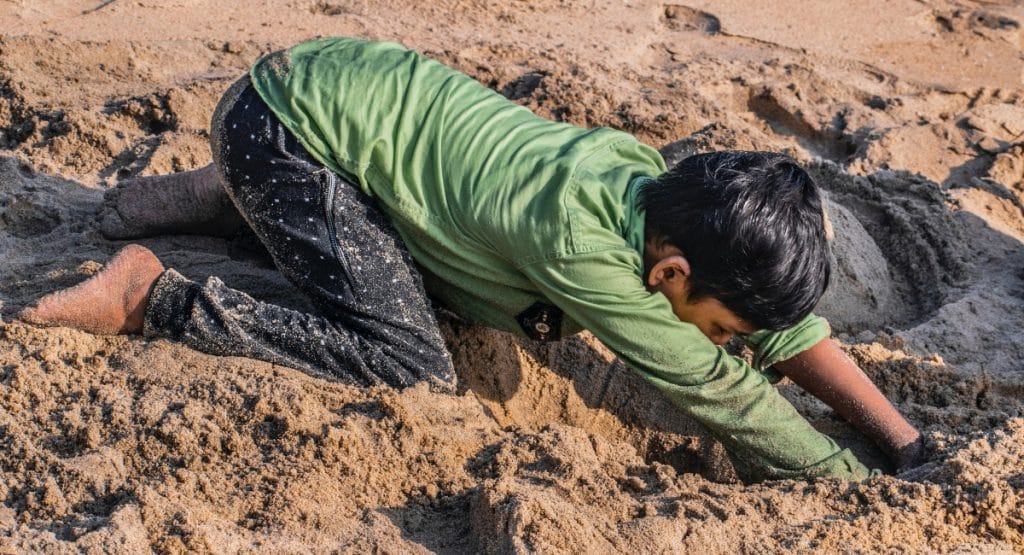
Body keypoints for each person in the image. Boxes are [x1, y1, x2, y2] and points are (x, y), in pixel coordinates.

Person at [18, 36, 923, 483]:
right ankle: (153, 295)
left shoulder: (653, 185)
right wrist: (838, 478)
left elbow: (777, 328)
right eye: (723, 328)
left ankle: (227, 194)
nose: (730, 347)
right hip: (287, 134)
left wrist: (901, 441)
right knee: (409, 360)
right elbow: (719, 394)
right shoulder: (585, 246)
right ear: (670, 275)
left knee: (422, 267)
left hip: (316, 87)